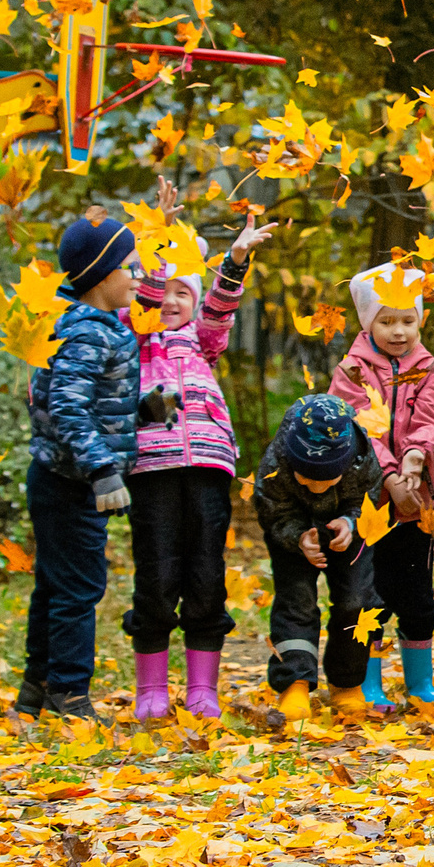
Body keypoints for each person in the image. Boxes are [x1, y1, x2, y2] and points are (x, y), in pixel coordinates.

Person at [124, 181, 275, 722]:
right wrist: (158, 240)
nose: (170, 303)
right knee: (157, 574)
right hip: (152, 469)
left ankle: (203, 686)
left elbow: (219, 309)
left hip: (208, 468)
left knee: (207, 574)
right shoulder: (135, 339)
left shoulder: (201, 342)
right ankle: (151, 687)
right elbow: (144, 297)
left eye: (181, 295)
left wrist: (233, 261)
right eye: (163, 295)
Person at [17, 215, 142, 722]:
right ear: (101, 273)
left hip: (60, 478)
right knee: (77, 590)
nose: (138, 276)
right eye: (129, 266)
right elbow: (68, 408)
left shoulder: (87, 326)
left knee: (55, 584)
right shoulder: (89, 331)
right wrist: (102, 470)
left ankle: (36, 688)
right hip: (71, 483)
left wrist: (146, 408)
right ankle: (69, 696)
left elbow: (91, 399)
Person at [331, 262, 434, 710]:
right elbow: (359, 428)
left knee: (418, 594)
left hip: (416, 499)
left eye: (408, 320)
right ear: (368, 322)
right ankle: (369, 682)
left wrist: (414, 461)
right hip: (368, 503)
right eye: (386, 321)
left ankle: (420, 684)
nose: (399, 331)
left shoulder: (431, 369)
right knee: (370, 593)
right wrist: (387, 475)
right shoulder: (352, 370)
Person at [252, 392, 384, 721]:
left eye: (326, 480)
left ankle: (347, 682)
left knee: (358, 600)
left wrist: (351, 523)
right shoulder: (276, 463)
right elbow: (273, 513)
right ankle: (294, 684)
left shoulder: (361, 457)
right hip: (293, 532)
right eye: (307, 479)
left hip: (346, 531)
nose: (316, 488)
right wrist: (298, 538)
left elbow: (369, 499)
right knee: (296, 601)